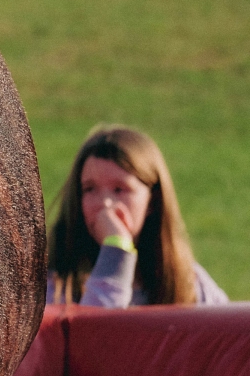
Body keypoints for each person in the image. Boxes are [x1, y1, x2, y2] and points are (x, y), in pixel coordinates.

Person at [46, 125, 229, 306]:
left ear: (153, 200)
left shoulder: (189, 283)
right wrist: (116, 251)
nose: (105, 203)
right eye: (90, 189)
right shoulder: (54, 286)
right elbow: (97, 326)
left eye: (119, 189)